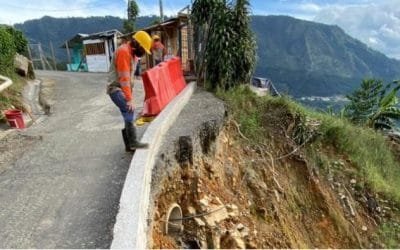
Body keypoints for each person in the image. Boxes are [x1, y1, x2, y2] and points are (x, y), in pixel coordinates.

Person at [107, 31, 152, 152]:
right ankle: (133, 143)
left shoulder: (131, 53)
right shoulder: (124, 52)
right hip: (115, 89)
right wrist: (129, 98)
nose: (143, 54)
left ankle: (129, 145)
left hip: (120, 89)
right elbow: (124, 79)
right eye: (143, 49)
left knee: (127, 113)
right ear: (137, 44)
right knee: (129, 110)